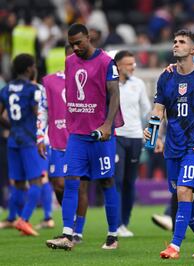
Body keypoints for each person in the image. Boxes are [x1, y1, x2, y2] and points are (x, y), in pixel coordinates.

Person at [144, 29, 194, 259]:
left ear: (193, 49)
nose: (175, 45)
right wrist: (153, 132)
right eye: (174, 41)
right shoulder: (165, 77)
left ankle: (175, 246)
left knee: (184, 190)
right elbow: (158, 110)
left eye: (181, 42)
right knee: (183, 196)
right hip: (172, 146)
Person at [45, 23, 123, 250]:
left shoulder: (107, 61)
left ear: (89, 38)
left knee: (107, 181)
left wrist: (108, 125)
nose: (75, 48)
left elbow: (114, 93)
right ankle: (67, 234)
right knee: (71, 182)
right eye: (71, 44)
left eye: (79, 42)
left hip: (101, 134)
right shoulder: (70, 62)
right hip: (78, 134)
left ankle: (112, 235)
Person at [36, 44, 89, 243]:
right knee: (58, 184)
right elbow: (42, 110)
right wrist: (40, 137)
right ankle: (71, 220)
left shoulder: (90, 78)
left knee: (80, 187)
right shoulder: (50, 81)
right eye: (70, 55)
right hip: (57, 141)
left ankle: (77, 231)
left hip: (82, 139)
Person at [0, 53, 43, 236]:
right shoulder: (32, 90)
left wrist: (12, 126)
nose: (35, 69)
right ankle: (23, 220)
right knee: (37, 182)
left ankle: (16, 217)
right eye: (33, 66)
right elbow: (38, 114)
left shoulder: (6, 89)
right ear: (28, 69)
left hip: (13, 140)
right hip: (28, 139)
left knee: (17, 183)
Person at [114, 50, 151, 237]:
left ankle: (124, 223)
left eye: (133, 63)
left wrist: (154, 130)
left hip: (136, 137)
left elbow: (147, 110)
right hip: (116, 136)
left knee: (129, 182)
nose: (132, 67)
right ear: (118, 65)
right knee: (117, 180)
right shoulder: (110, 84)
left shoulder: (138, 84)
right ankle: (116, 222)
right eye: (129, 64)